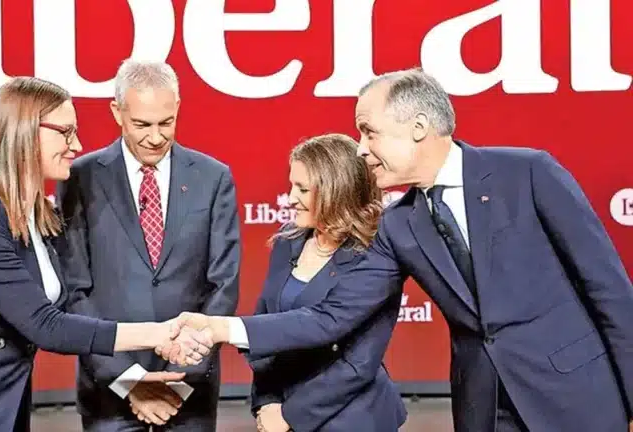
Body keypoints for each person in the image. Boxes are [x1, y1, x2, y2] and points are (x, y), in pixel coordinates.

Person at [171, 68, 633, 432]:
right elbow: (332, 317)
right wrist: (221, 327)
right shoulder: (396, 225)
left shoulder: (528, 174)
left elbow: (609, 293)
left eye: (369, 132)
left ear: (418, 127)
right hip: (486, 408)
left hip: (576, 398)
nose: (360, 149)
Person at [0, 76, 211, 432]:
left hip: (0, 409)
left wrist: (130, 375)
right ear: (23, 132)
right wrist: (159, 334)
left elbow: (72, 311)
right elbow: (46, 326)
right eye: (65, 133)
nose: (76, 145)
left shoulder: (40, 217)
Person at [56, 59, 240, 431]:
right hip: (109, 389)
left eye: (166, 123)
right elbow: (75, 289)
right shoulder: (79, 178)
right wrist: (130, 381)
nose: (155, 137)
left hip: (188, 388)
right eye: (142, 125)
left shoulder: (213, 178)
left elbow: (223, 285)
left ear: (178, 108)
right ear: (117, 112)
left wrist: (177, 376)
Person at [246, 134, 406, 432]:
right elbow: (265, 326)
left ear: (337, 191)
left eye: (303, 189)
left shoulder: (375, 255)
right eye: (292, 185)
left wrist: (289, 416)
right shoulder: (287, 240)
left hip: (355, 420)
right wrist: (267, 402)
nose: (290, 198)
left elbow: (358, 364)